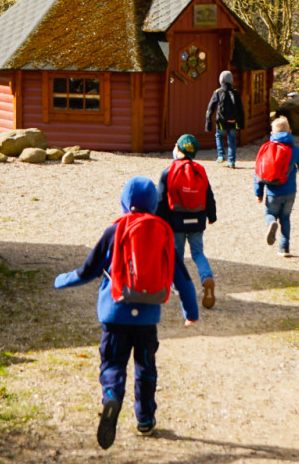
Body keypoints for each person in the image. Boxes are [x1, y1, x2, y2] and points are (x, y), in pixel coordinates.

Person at [54, 176, 200, 448]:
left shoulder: (115, 231)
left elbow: (88, 270)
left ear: (124, 201)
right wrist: (190, 311)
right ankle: (145, 420)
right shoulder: (163, 230)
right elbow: (182, 278)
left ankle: (111, 396)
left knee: (112, 363)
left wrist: (61, 280)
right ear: (154, 203)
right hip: (147, 318)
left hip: (114, 314)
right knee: (146, 367)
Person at [156, 134, 218, 309]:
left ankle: (179, 286)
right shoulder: (200, 170)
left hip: (176, 222)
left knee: (177, 255)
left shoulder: (169, 171)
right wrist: (211, 217)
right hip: (197, 220)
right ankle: (207, 278)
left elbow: (160, 200)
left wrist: (158, 221)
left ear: (178, 149)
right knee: (198, 253)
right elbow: (208, 195)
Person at [253, 115, 299, 256]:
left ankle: (272, 223)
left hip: (272, 192)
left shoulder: (266, 149)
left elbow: (258, 172)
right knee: (285, 218)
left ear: (272, 133)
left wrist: (258, 193)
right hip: (290, 192)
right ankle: (284, 248)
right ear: (290, 132)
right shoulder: (295, 150)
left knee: (269, 213)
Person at [204, 70, 244, 168]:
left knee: (219, 136)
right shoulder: (235, 92)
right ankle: (231, 161)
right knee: (232, 140)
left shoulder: (218, 92)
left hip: (221, 121)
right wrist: (241, 123)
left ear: (221, 80)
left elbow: (211, 107)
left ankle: (221, 155)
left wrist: (208, 120)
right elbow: (240, 108)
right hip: (233, 121)